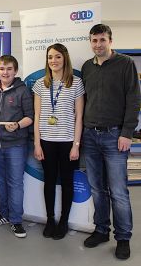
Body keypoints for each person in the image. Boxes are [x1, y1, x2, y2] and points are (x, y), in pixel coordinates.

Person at [81, 24, 140, 260]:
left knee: (118, 191)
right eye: (94, 40)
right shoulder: (87, 67)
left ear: (110, 40)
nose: (98, 44)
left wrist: (127, 132)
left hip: (115, 135)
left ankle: (123, 237)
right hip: (90, 135)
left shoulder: (126, 64)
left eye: (102, 40)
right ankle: (101, 230)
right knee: (97, 189)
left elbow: (134, 100)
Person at [33, 43, 84, 240]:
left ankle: (63, 221)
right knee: (49, 181)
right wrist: (37, 144)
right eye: (50, 57)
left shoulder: (76, 83)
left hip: (68, 142)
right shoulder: (40, 84)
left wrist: (76, 145)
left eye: (57, 57)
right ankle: (50, 219)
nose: (53, 61)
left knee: (67, 182)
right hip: (46, 141)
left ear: (65, 59)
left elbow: (79, 116)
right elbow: (37, 116)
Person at [0, 55, 34, 238]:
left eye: (9, 69)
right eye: (2, 69)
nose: (5, 72)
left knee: (15, 183)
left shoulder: (23, 91)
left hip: (16, 145)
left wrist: (18, 125)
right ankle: (3, 215)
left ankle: (16, 221)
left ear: (15, 71)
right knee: (1, 181)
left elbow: (30, 116)